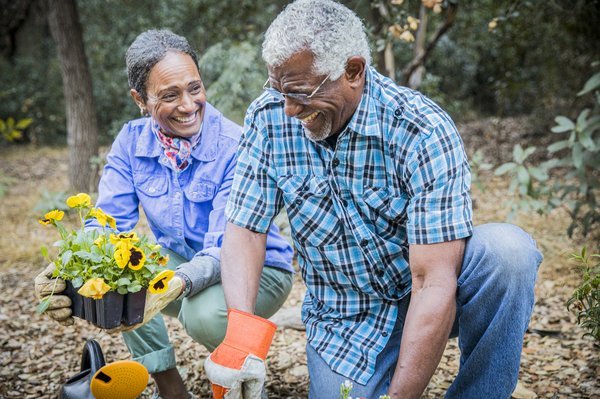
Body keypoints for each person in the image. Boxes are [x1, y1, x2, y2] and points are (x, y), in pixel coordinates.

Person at [204, 1, 544, 398]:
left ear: (353, 71)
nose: (290, 109)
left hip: (433, 292)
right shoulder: (268, 119)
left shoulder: (420, 129)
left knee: (509, 254)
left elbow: (432, 280)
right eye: (279, 90)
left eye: (299, 93)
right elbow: (245, 228)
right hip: (344, 318)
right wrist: (241, 338)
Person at [33, 29, 294, 399]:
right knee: (121, 274)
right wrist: (69, 269)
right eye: (170, 95)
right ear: (140, 99)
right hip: (185, 260)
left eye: (195, 88)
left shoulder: (235, 146)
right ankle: (171, 390)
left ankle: (241, 384)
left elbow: (228, 246)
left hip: (258, 268)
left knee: (202, 314)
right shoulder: (131, 141)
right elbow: (106, 223)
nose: (188, 105)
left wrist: (181, 281)